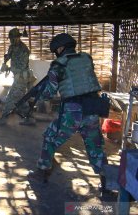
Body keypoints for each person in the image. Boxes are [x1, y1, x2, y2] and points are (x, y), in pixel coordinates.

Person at [28, 33, 107, 183]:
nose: (56, 53)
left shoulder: (58, 65)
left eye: (56, 50)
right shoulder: (86, 59)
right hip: (93, 108)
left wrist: (39, 95)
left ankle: (42, 171)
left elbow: (49, 93)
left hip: (73, 111)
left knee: (50, 137)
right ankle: (106, 185)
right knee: (96, 147)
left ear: (61, 48)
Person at [0, 28, 36, 126]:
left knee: (10, 98)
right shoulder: (12, 47)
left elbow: (22, 66)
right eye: (11, 38)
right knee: (20, 100)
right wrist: (6, 59)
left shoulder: (23, 49)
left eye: (14, 38)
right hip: (17, 77)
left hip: (21, 78)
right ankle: (29, 118)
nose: (12, 40)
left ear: (18, 37)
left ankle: (3, 118)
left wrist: (8, 68)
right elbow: (9, 56)